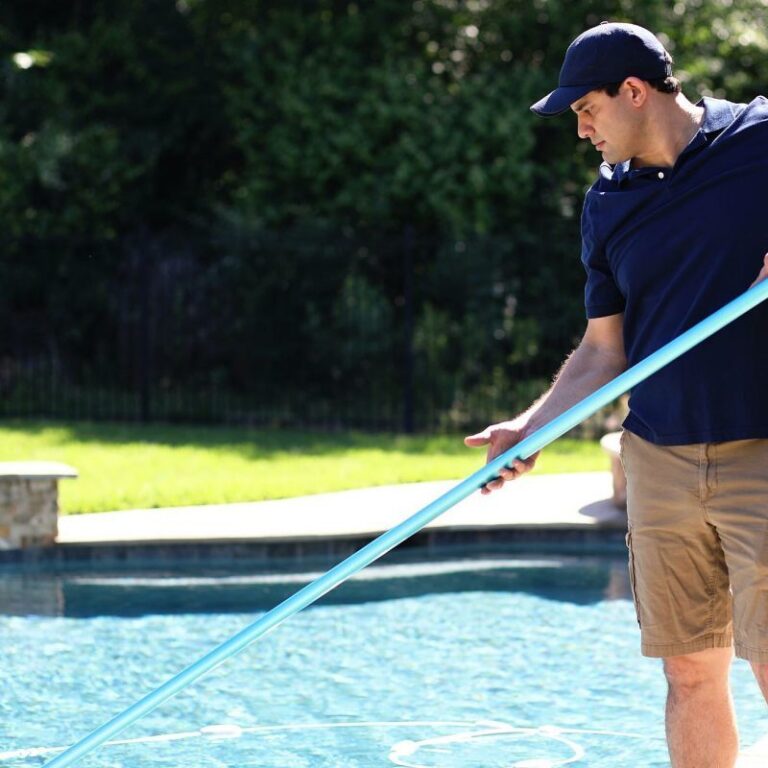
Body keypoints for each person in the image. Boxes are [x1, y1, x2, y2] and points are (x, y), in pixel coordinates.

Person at [464, 21, 768, 768]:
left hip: (761, 449)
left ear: (633, 91)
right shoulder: (608, 204)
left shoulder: (758, 142)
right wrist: (531, 427)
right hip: (659, 461)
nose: (581, 129)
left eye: (585, 109)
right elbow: (606, 348)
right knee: (689, 671)